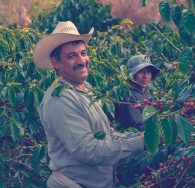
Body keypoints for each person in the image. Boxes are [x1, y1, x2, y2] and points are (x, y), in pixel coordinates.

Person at [33, 21, 145, 188]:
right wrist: (141, 143)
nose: (81, 60)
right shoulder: (60, 98)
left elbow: (106, 134)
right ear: (55, 62)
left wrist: (143, 136)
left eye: (83, 53)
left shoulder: (87, 90)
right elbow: (88, 150)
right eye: (71, 56)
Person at [115, 55, 160, 131]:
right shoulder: (126, 94)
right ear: (132, 74)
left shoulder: (148, 92)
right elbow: (138, 126)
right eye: (140, 72)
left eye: (148, 72)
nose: (145, 76)